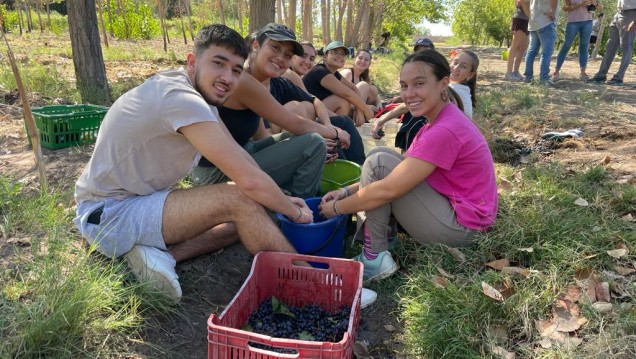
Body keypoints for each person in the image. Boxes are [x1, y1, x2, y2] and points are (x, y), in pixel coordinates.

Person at [72, 24, 314, 303]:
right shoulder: (180, 98)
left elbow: (241, 157)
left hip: (144, 199)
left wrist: (280, 198)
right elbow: (247, 181)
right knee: (241, 200)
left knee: (254, 217)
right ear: (192, 61)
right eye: (218, 64)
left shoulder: (202, 97)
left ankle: (164, 256)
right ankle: (309, 287)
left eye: (236, 70)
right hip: (108, 214)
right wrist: (294, 213)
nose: (227, 78)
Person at [318, 50, 498, 282]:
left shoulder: (445, 129)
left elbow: (387, 189)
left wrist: (337, 208)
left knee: (379, 161)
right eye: (404, 85)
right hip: (459, 213)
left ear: (443, 84)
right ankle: (384, 238)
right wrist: (344, 192)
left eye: (419, 84)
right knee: (382, 156)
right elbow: (400, 171)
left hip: (463, 229)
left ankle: (374, 258)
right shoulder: (439, 120)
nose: (408, 94)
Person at [190, 23, 344, 195]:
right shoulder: (242, 80)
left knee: (312, 141)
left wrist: (299, 152)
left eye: (287, 55)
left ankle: (295, 197)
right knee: (313, 143)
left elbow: (262, 136)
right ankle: (301, 213)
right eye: (275, 47)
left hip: (243, 152)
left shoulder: (271, 82)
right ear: (255, 45)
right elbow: (296, 124)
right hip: (214, 173)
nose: (280, 57)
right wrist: (335, 133)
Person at [302, 41, 375, 127]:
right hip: (307, 114)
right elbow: (347, 94)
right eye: (335, 52)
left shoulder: (335, 74)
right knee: (341, 100)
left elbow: (354, 89)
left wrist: (359, 110)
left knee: (344, 101)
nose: (340, 56)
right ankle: (338, 130)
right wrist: (366, 109)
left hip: (320, 112)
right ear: (325, 56)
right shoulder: (320, 70)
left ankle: (338, 132)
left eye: (343, 54)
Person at [588, 1, 636, 86]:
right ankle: (601, 75)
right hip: (618, 13)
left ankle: (618, 78)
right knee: (610, 46)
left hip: (631, 13)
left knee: (626, 47)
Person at [553, 0, 601, 81]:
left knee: (584, 46)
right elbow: (565, 8)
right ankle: (556, 71)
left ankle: (583, 72)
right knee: (566, 45)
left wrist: (594, 3)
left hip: (587, 22)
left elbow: (599, 8)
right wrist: (579, 4)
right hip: (572, 22)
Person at [522, 0, 559, 85]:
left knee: (531, 52)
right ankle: (544, 78)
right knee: (546, 52)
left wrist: (530, 16)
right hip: (545, 22)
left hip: (534, 23)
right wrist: (553, 12)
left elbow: (523, 1)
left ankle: (528, 77)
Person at [449, 50, 479, 119]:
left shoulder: (455, 90)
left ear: (470, 75)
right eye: (455, 62)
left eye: (463, 67)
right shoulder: (460, 87)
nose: (456, 68)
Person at [505, 0, 530, 81]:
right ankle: (509, 73)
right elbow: (521, 2)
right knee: (515, 46)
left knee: (523, 47)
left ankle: (516, 71)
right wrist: (530, 15)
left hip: (529, 21)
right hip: (520, 19)